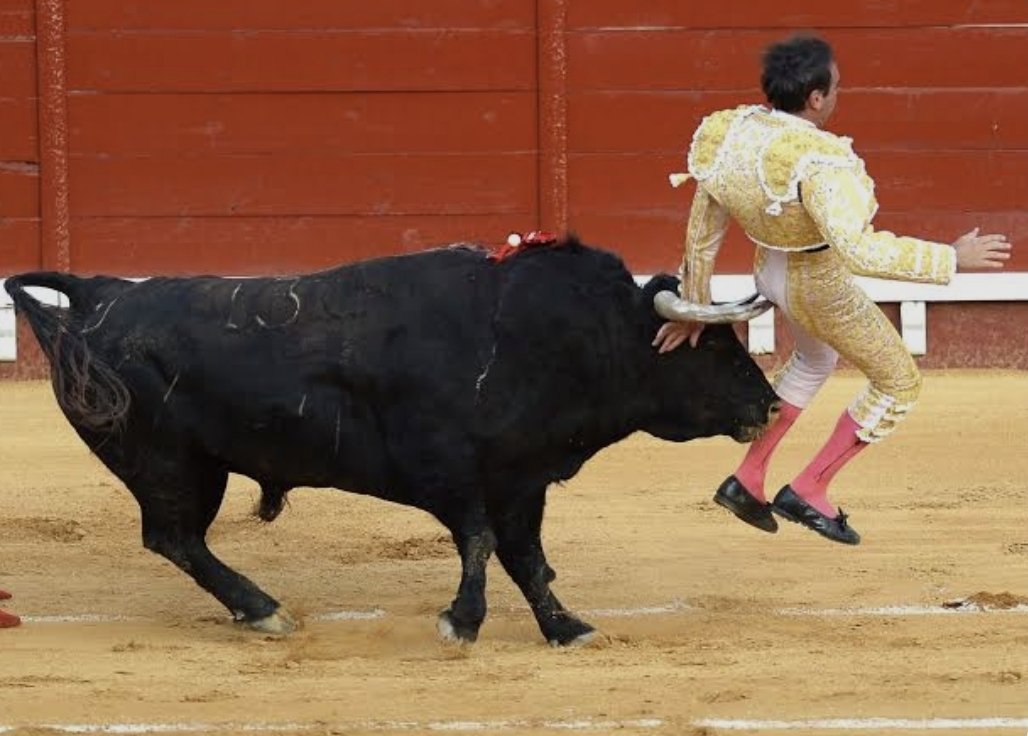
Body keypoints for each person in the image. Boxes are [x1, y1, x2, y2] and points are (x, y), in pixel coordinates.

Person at [653, 34, 1012, 545]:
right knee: (898, 383)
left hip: (769, 269)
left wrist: (695, 299)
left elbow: (704, 225)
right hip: (816, 283)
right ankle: (810, 488)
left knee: (813, 361)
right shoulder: (821, 161)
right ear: (817, 98)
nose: (839, 94)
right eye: (836, 87)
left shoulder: (731, 131)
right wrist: (951, 257)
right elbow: (860, 250)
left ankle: (748, 479)